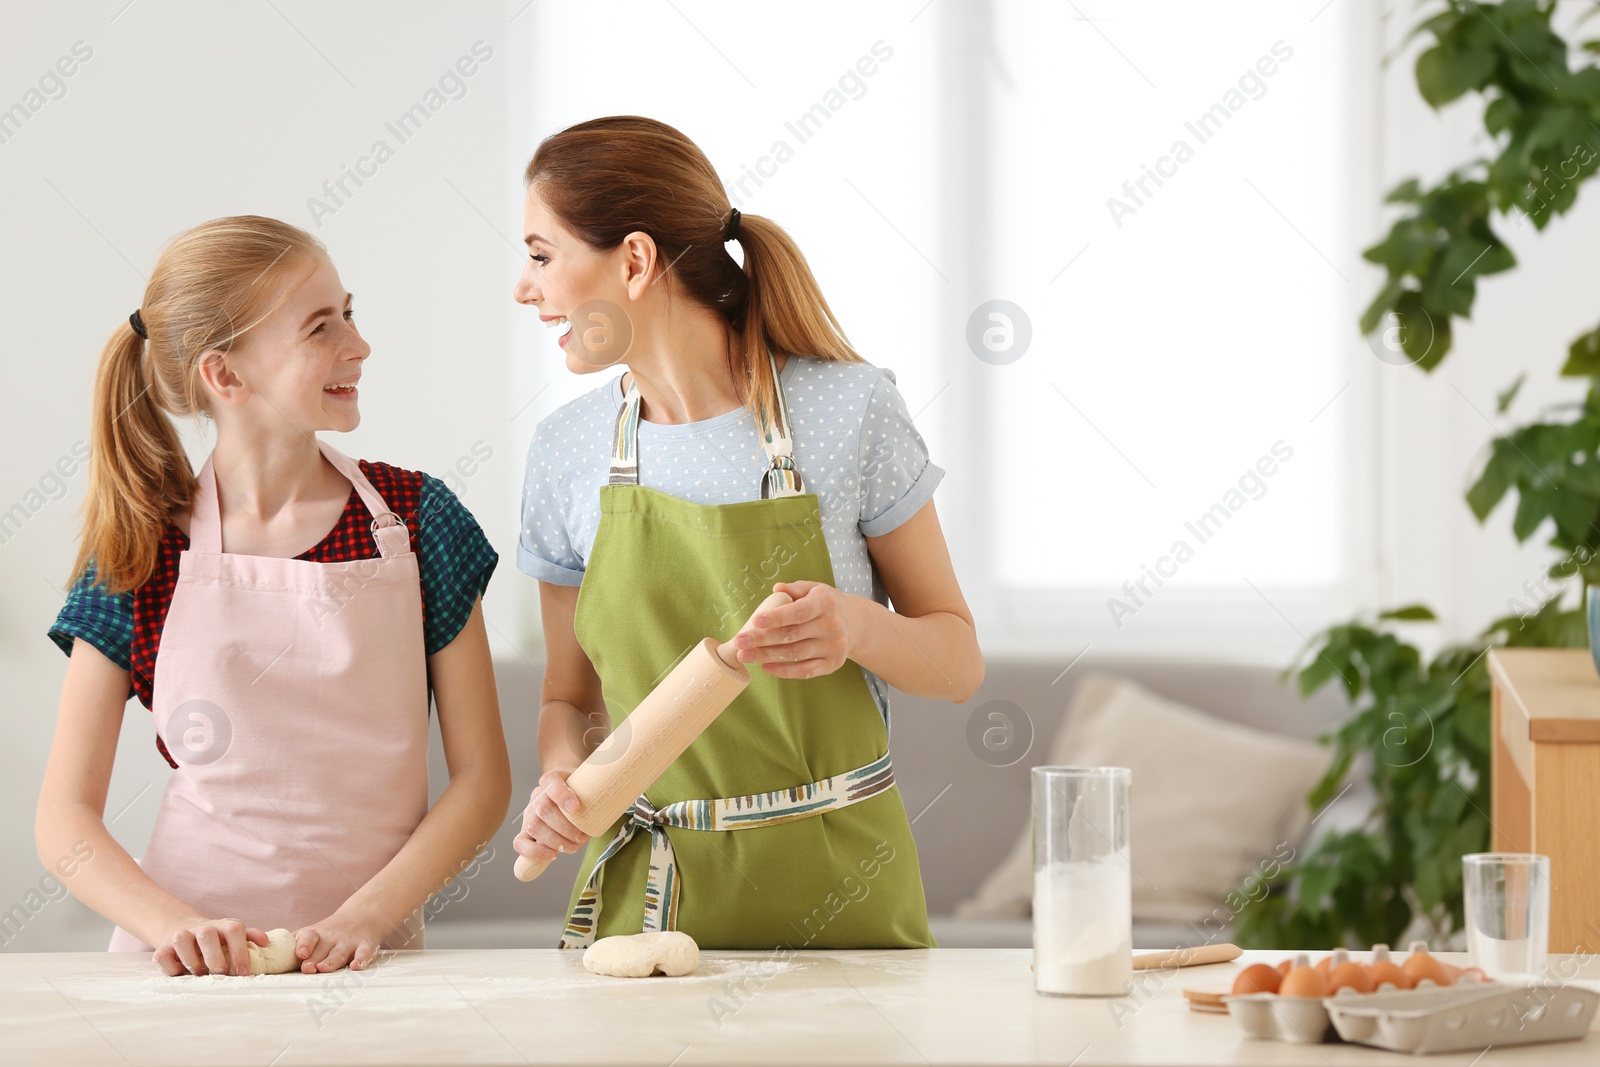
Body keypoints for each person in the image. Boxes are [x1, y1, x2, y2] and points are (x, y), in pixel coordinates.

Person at [510, 116, 984, 949]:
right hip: (648, 908)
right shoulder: (565, 451)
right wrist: (563, 775)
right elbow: (568, 697)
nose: (525, 287)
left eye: (542, 254)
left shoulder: (850, 409)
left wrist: (857, 626)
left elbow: (957, 663)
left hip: (843, 898)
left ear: (634, 260)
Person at [37, 216, 510, 977]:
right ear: (226, 375)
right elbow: (63, 822)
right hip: (185, 971)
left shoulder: (420, 522)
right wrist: (177, 926)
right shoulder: (142, 548)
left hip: (368, 962)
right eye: (321, 327)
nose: (358, 345)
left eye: (349, 313)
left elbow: (484, 779)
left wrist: (368, 915)